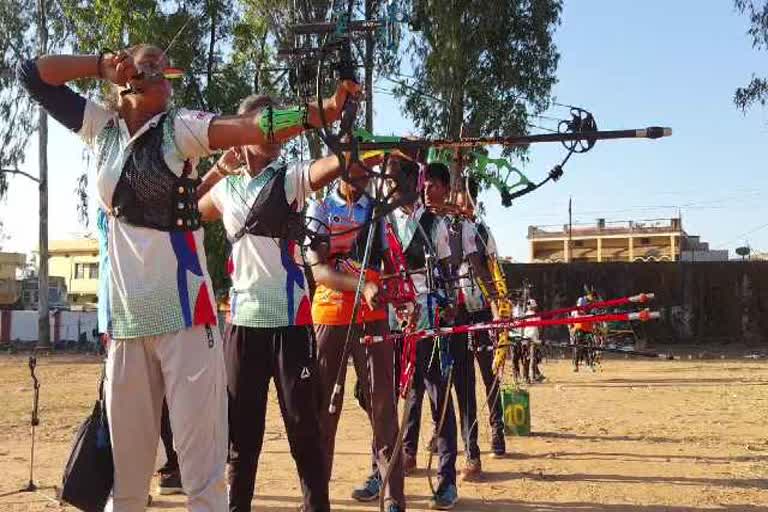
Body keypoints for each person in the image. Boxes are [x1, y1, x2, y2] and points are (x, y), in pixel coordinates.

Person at [18, 44, 353, 511]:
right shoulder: (101, 127)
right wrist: (97, 66)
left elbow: (254, 127)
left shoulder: (180, 128)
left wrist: (326, 112)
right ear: (126, 76)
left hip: (186, 323)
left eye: (163, 65)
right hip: (125, 328)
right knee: (129, 481)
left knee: (203, 478)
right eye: (147, 62)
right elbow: (33, 76)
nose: (160, 70)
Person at [197, 89, 361, 512]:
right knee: (242, 437)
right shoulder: (227, 188)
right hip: (244, 325)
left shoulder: (288, 177)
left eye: (281, 126)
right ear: (243, 129)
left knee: (304, 431)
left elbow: (329, 167)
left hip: (291, 322)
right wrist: (219, 167)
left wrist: (349, 141)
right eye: (264, 125)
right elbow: (187, 209)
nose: (275, 134)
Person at [304, 170, 405, 512]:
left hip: (372, 317)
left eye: (365, 171)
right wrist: (362, 286)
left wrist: (398, 291)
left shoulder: (377, 211)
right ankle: (315, 498)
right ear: (338, 167)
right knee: (323, 408)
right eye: (353, 169)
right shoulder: (319, 208)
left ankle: (392, 496)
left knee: (383, 406)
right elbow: (318, 270)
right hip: (330, 316)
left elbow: (391, 262)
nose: (360, 177)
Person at [388, 160, 459, 510]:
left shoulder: (435, 223)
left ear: (413, 183)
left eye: (398, 180)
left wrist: (447, 307)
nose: (392, 186)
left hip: (429, 322)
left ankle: (447, 480)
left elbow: (447, 273)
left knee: (439, 398)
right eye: (388, 181)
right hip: (394, 322)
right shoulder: (383, 222)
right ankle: (389, 471)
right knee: (398, 398)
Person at [422, 168, 500, 481]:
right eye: (424, 184)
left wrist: (497, 302)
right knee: (434, 386)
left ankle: (474, 451)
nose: (428, 191)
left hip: (463, 313)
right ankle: (441, 444)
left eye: (434, 185)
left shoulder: (466, 226)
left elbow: (481, 267)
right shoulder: (419, 221)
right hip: (429, 314)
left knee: (467, 383)